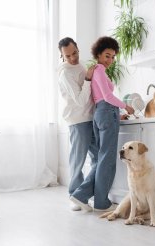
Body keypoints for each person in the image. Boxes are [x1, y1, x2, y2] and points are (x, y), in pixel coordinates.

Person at [70, 36, 134, 212]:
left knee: (102, 158)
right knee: (106, 159)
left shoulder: (97, 71)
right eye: (107, 55)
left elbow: (101, 98)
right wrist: (126, 106)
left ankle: (82, 195)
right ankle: (99, 201)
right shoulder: (99, 70)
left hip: (101, 112)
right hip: (106, 112)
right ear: (98, 54)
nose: (110, 60)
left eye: (113, 57)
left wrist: (117, 113)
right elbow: (107, 97)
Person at [57, 37, 98, 211]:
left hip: (90, 118)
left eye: (74, 53)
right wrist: (88, 80)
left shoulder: (80, 66)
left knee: (100, 159)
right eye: (68, 56)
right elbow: (81, 101)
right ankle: (74, 194)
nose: (73, 58)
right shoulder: (66, 73)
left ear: (78, 49)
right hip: (78, 121)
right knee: (78, 161)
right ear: (62, 56)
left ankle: (81, 194)